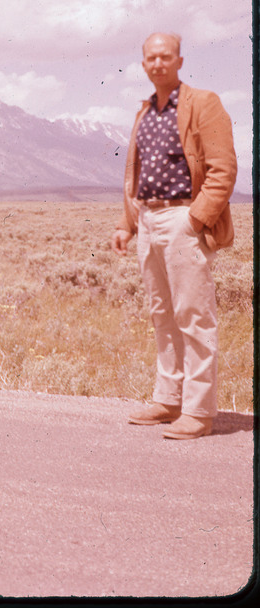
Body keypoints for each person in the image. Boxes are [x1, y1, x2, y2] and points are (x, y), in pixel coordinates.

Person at [110, 32, 237, 440]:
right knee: (162, 313)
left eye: (165, 56)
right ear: (144, 64)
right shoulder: (145, 112)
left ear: (179, 61)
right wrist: (127, 224)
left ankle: (198, 412)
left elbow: (223, 170)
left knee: (194, 316)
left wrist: (195, 220)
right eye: (151, 58)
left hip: (183, 216)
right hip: (148, 219)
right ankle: (168, 400)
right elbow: (136, 174)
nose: (158, 64)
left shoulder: (203, 103)